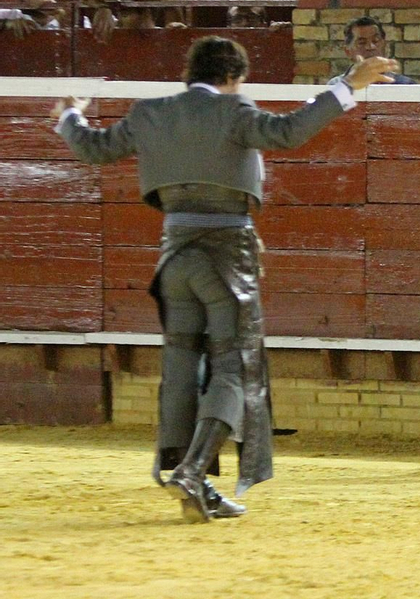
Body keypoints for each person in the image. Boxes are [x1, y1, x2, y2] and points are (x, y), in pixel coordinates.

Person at [55, 36, 398, 521]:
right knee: (233, 368)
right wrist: (347, 86)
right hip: (227, 254)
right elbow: (290, 131)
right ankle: (193, 472)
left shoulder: (150, 113)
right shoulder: (236, 112)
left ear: (187, 74)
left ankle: (193, 479)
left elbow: (92, 148)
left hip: (173, 254)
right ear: (234, 78)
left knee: (180, 368)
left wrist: (69, 115)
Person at [336, 17, 416, 84]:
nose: (371, 47)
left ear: (385, 46)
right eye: (362, 43)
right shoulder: (336, 86)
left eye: (376, 41)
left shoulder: (405, 85)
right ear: (348, 51)